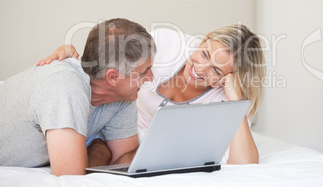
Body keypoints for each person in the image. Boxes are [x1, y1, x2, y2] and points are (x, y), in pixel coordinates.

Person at [38, 24, 266, 164]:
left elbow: (245, 163)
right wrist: (75, 58)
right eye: (205, 54)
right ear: (204, 39)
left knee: (106, 154)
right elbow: (111, 60)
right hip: (116, 126)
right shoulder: (167, 44)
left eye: (217, 70)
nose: (200, 69)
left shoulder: (222, 97)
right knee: (99, 149)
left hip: (147, 148)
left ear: (231, 77)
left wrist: (238, 102)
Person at [0, 18, 155, 176]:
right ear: (113, 77)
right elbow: (70, 177)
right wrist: (98, 147)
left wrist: (100, 149)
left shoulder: (123, 97)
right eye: (145, 71)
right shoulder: (64, 85)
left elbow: (125, 162)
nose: (151, 77)